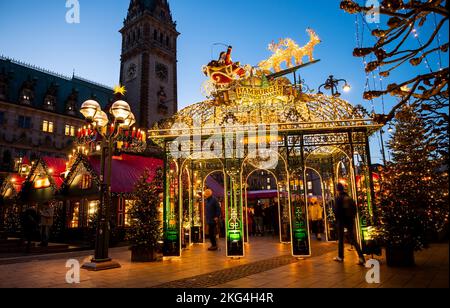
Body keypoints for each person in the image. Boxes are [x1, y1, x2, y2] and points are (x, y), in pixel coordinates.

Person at [333, 184, 365, 265]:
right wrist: (351, 218)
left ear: (337, 190)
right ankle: (361, 258)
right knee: (353, 239)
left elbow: (336, 211)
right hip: (349, 220)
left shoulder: (338, 198)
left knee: (341, 239)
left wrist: (337, 220)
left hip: (341, 221)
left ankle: (340, 257)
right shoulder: (349, 198)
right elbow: (355, 210)